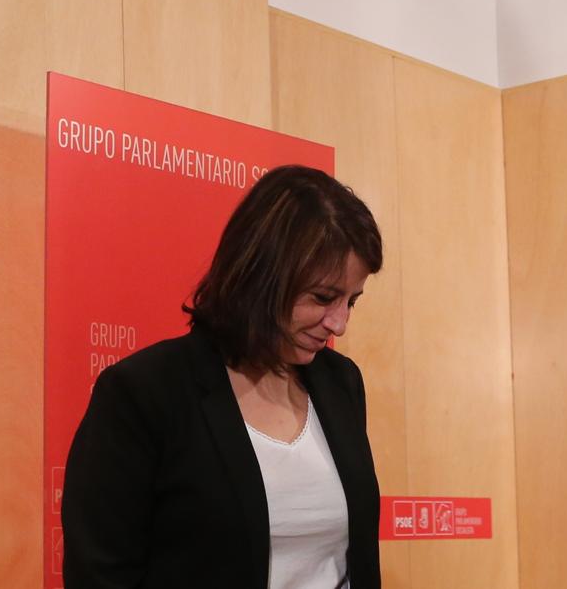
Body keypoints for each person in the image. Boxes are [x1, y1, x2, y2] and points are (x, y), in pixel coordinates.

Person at [63, 165, 383, 588]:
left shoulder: (341, 383)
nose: (339, 323)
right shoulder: (144, 392)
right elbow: (100, 574)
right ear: (261, 276)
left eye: (351, 302)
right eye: (323, 298)